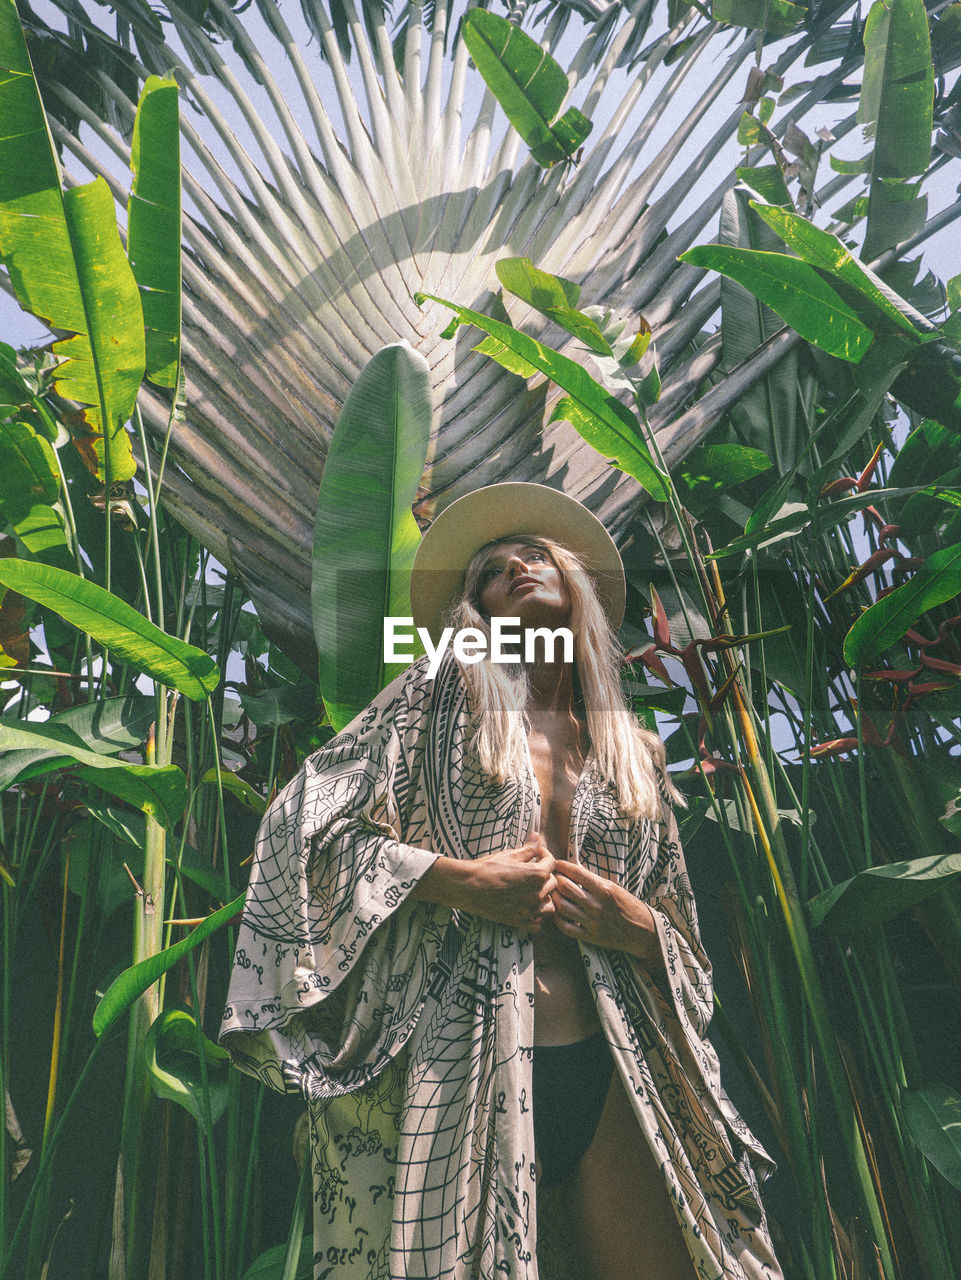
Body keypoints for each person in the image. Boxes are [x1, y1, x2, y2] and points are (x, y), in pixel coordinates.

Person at [220, 482, 783, 1280]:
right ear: (473, 612)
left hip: (614, 1058)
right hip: (454, 1055)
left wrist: (636, 925)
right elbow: (302, 825)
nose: (516, 566)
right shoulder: (432, 702)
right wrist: (454, 880)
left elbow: (683, 944)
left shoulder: (632, 753)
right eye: (490, 570)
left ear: (575, 584)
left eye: (536, 555)